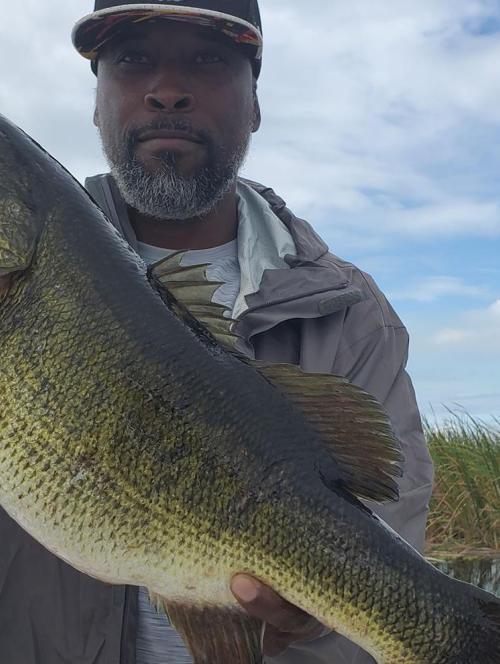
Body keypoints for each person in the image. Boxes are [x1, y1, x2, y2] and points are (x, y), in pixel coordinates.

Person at [0, 1, 434, 662]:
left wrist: (316, 620)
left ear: (255, 104)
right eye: (133, 60)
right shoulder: (38, 273)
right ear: (95, 102)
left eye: (207, 60)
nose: (167, 90)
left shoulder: (351, 312)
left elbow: (391, 526)